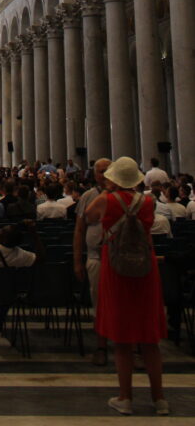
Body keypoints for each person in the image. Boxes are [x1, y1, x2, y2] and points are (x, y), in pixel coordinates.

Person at [85, 156, 168, 416]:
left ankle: (125, 397)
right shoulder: (148, 201)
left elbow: (88, 217)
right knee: (149, 338)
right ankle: (159, 399)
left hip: (117, 266)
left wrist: (108, 193)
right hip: (146, 267)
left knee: (122, 338)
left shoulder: (106, 200)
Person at [74, 157, 111, 365]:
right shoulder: (88, 196)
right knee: (100, 304)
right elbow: (79, 230)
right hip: (96, 256)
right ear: (94, 174)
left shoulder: (124, 195)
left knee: (125, 304)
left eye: (107, 170)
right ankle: (101, 346)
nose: (104, 175)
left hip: (119, 257)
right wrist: (77, 261)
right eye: (100, 171)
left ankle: (132, 348)